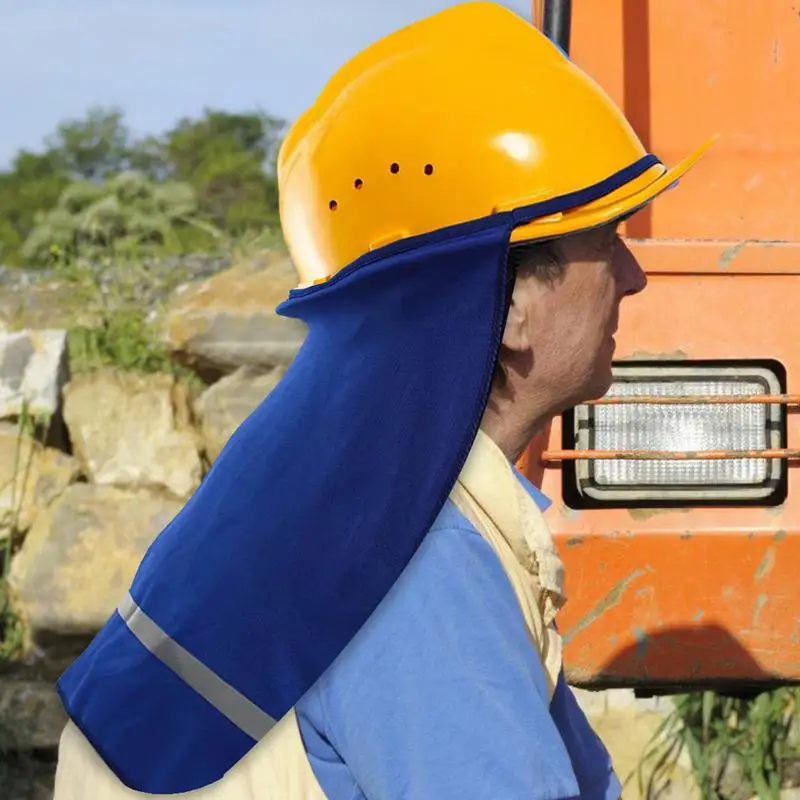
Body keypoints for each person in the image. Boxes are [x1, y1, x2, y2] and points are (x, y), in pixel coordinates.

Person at [53, 3, 713, 798]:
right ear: (505, 306)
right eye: (604, 242)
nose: (634, 278)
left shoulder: (334, 484)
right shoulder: (412, 562)